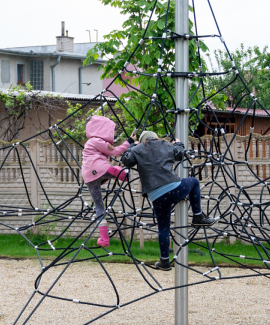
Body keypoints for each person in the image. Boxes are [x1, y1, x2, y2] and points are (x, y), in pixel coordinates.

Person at [121, 131, 213, 270]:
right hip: (173, 188)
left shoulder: (137, 149)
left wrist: (131, 146)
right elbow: (180, 155)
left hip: (156, 196)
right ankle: (198, 216)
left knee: (163, 228)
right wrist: (179, 144)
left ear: (142, 140)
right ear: (154, 136)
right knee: (194, 182)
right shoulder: (165, 144)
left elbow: (126, 161)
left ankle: (164, 262)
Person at [81, 115, 130, 247]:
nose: (112, 133)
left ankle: (104, 239)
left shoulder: (90, 142)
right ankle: (117, 172)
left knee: (99, 207)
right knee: (109, 170)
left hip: (89, 176)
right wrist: (128, 142)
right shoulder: (97, 141)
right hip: (99, 168)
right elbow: (115, 152)